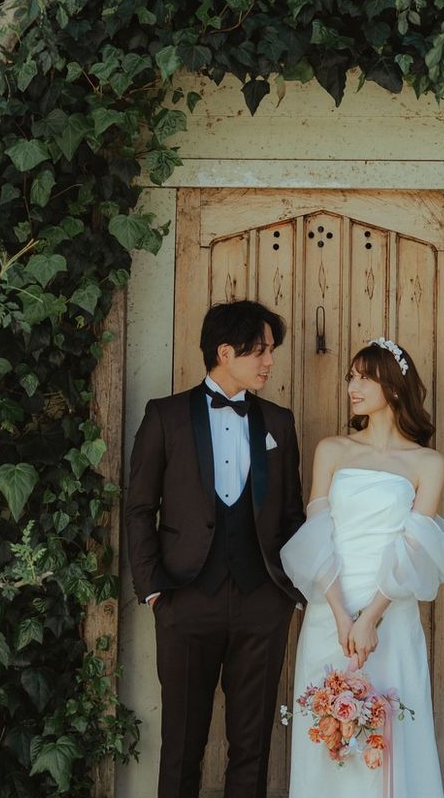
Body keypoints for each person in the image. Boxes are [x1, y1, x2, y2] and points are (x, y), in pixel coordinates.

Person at [125, 299, 305, 798]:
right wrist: (154, 591)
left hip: (261, 603)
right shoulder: (165, 416)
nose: (270, 361)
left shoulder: (279, 422)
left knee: (253, 747)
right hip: (184, 600)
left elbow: (292, 514)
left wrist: (288, 593)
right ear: (226, 352)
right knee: (181, 746)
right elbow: (139, 508)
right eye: (260, 351)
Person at [281, 338, 444, 798]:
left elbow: (415, 547)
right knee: (326, 736)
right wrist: (342, 615)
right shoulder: (332, 450)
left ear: (395, 386)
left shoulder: (428, 463)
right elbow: (316, 534)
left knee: (391, 736)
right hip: (331, 612)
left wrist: (370, 618)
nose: (353, 386)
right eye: (351, 376)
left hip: (390, 614)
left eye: (365, 377)